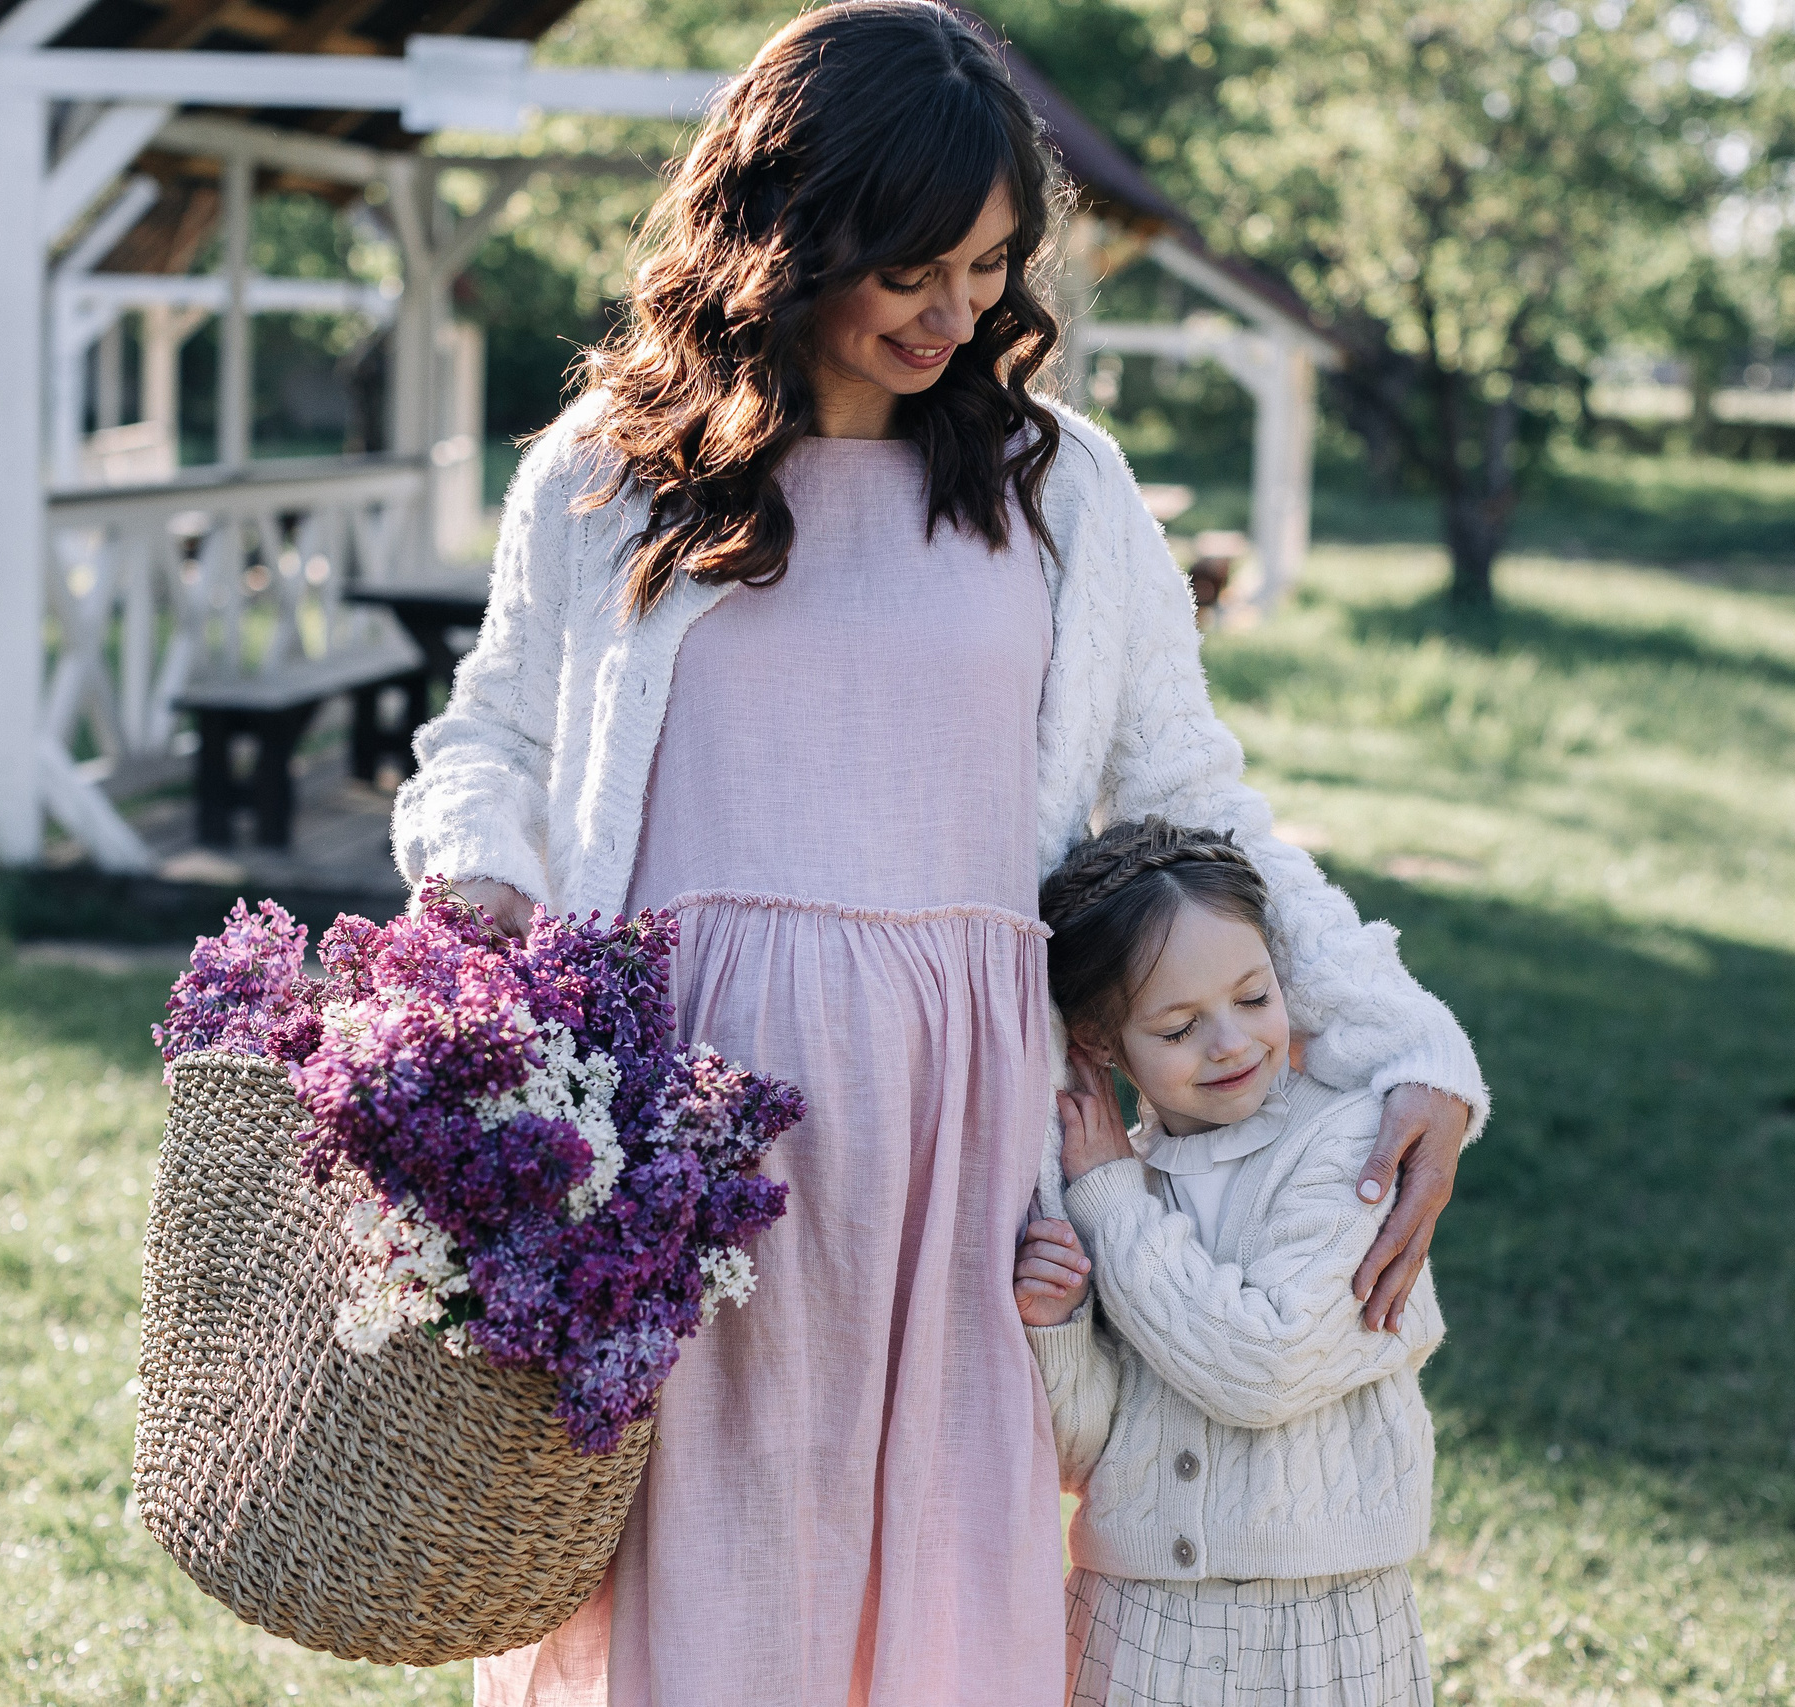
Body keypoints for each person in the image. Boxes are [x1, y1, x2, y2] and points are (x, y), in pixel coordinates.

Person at [389, 5, 1488, 1701]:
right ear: (791, 227)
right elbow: (493, 740)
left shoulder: (1060, 489)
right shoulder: (610, 476)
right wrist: (477, 880)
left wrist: (1406, 1038)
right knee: (699, 1576)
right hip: (691, 1144)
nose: (957, 312)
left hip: (969, 1142)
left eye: (987, 269)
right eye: (916, 266)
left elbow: (1194, 796)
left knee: (942, 1594)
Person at [1016, 819, 1448, 1707]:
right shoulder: (1119, 1175)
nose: (1231, 1043)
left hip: (1322, 1622)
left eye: (1254, 998)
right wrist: (1056, 1331)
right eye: (1178, 1027)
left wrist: (1111, 1204)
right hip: (1133, 1621)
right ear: (1100, 1042)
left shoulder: (1349, 1147)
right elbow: (1082, 1454)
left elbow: (1264, 1365)